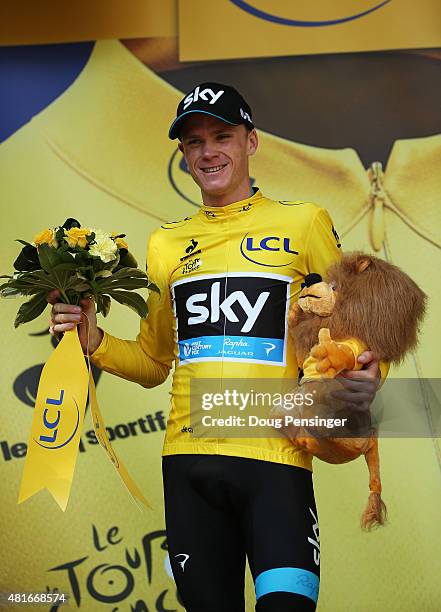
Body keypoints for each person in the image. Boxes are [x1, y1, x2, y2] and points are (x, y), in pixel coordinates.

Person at [48, 82, 381, 612]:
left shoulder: (304, 221)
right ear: (183, 155)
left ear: (251, 141)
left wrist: (364, 372)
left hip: (276, 460)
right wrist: (96, 343)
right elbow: (156, 361)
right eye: (194, 142)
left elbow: (352, 335)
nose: (208, 152)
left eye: (222, 135)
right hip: (189, 465)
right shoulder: (165, 243)